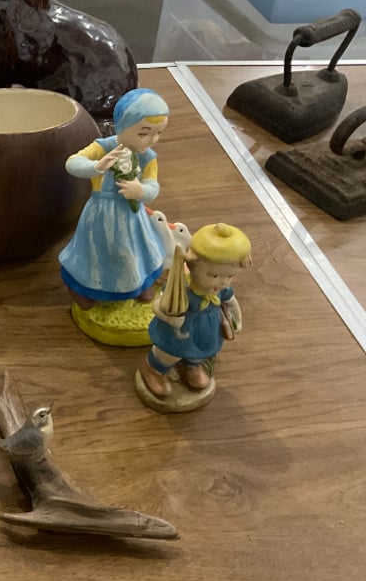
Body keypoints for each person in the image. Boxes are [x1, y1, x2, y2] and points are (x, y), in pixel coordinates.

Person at [58, 88, 170, 310]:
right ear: (123, 126)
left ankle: (139, 283)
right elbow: (72, 163)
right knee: (101, 253)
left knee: (135, 251)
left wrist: (141, 191)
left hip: (132, 216)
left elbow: (153, 186)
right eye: (143, 133)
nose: (152, 140)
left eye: (158, 133)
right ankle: (84, 288)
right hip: (102, 214)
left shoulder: (147, 157)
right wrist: (97, 166)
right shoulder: (103, 147)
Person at [139, 223, 252, 400]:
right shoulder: (181, 290)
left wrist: (238, 320)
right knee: (168, 354)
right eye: (214, 275)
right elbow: (157, 306)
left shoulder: (221, 291)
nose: (222, 282)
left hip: (206, 333)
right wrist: (169, 319)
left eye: (230, 276)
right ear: (192, 265)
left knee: (199, 353)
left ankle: (191, 366)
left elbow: (231, 303)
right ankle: (154, 369)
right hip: (179, 334)